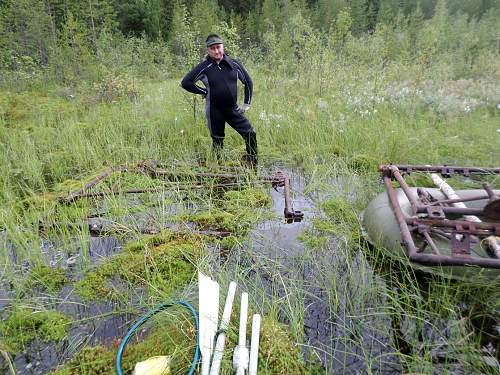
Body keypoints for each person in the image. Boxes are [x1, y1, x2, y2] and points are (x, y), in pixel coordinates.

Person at [181, 34, 257, 167]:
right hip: (214, 111)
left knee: (250, 133)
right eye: (213, 48)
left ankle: (253, 164)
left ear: (223, 46)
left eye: (218, 47)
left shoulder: (233, 64)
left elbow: (248, 82)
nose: (216, 51)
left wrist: (246, 104)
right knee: (218, 141)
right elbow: (186, 82)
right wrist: (204, 91)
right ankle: (219, 169)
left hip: (233, 110)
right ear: (208, 51)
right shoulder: (204, 67)